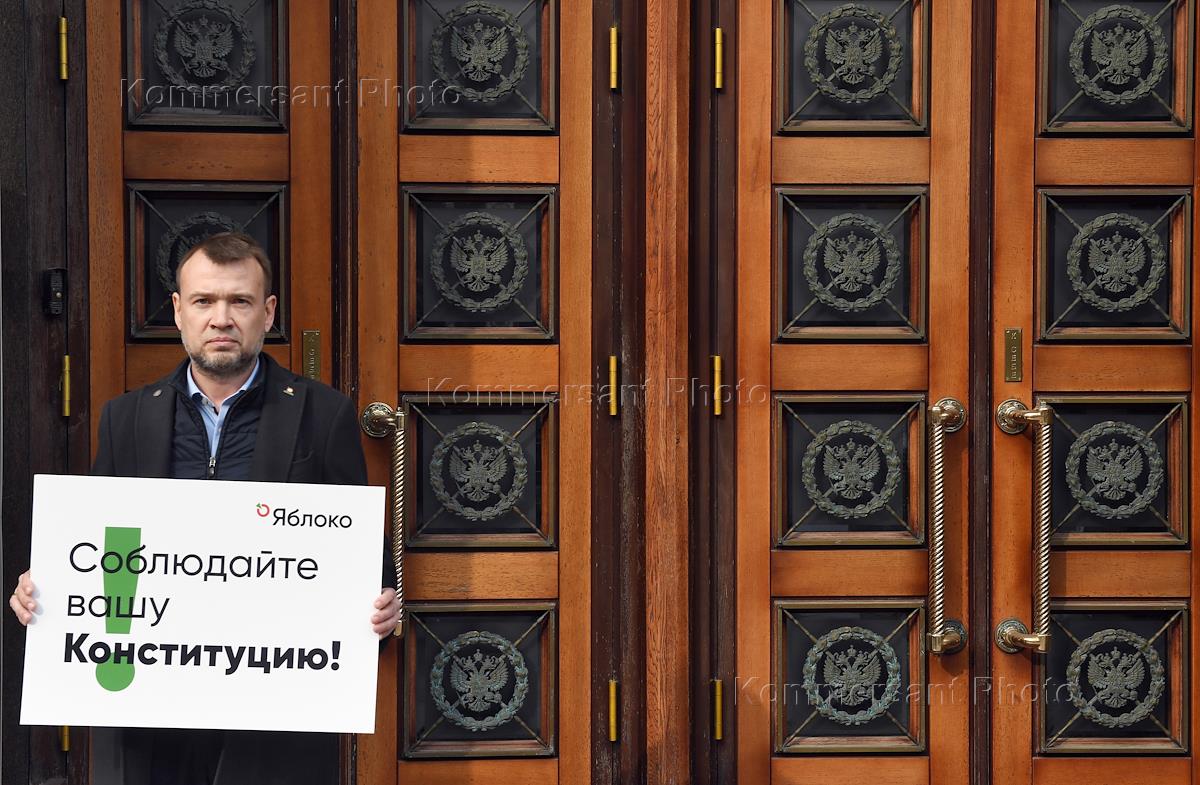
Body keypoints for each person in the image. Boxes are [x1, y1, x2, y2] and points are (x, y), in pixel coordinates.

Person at [8, 232, 397, 784]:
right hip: (153, 711)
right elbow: (100, 551)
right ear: (178, 311)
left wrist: (383, 604)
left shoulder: (324, 414)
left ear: (267, 313)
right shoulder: (125, 418)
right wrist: (46, 591)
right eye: (203, 300)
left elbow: (363, 559)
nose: (221, 318)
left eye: (240, 301)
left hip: (277, 709)